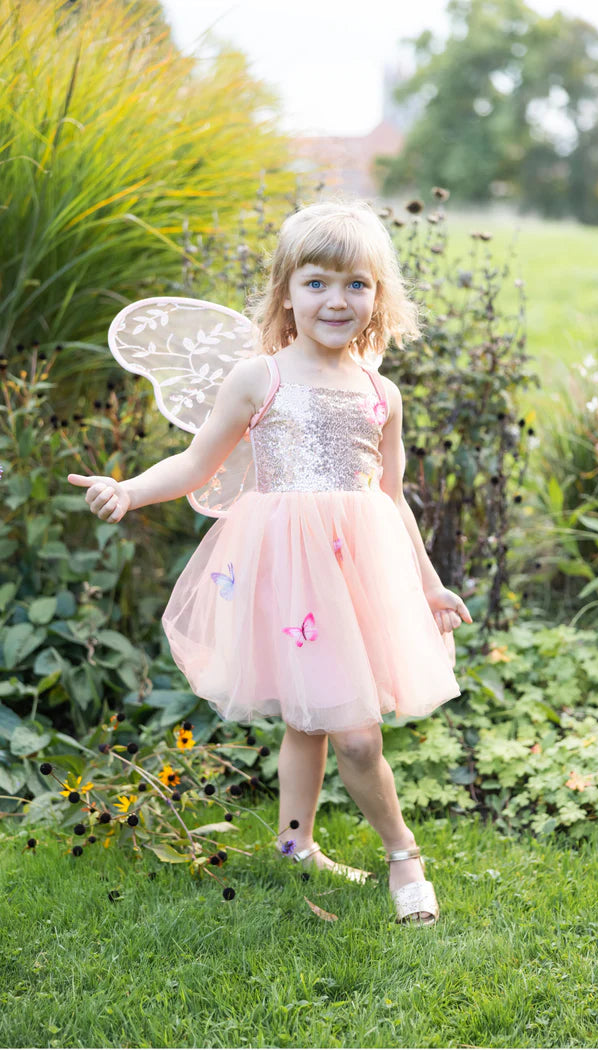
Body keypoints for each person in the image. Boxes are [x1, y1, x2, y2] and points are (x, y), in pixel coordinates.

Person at [67, 199, 472, 926]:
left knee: (334, 725)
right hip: (289, 573)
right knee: (334, 725)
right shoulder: (260, 378)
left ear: (378, 296)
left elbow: (391, 497)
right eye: (316, 283)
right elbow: (196, 464)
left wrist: (431, 586)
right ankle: (387, 853)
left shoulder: (381, 392)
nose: (336, 300)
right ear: (285, 292)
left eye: (355, 284)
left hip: (360, 570)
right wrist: (128, 490)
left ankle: (326, 847)